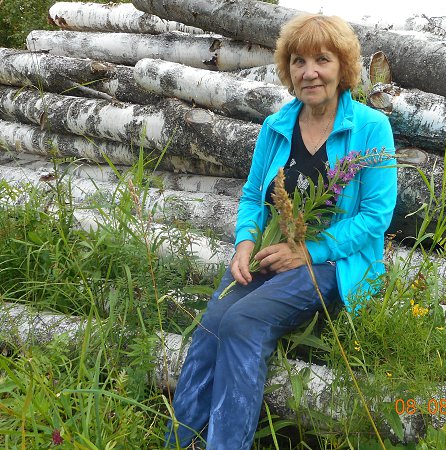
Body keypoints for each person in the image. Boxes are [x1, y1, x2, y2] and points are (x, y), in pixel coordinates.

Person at [165, 13, 397, 450]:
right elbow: (253, 197)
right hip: (270, 250)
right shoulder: (276, 126)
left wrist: (309, 251)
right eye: (298, 61)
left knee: (244, 321)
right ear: (288, 69)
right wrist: (244, 243)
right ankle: (182, 441)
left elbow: (375, 217)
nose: (309, 72)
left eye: (322, 60)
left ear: (343, 67)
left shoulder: (370, 128)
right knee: (212, 324)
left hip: (332, 262)